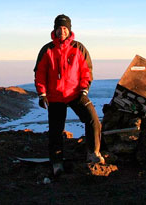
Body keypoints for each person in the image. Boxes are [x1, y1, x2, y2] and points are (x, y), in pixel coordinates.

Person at [34, 14, 105, 176]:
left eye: (65, 28)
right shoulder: (47, 50)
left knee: (92, 119)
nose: (62, 31)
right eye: (59, 28)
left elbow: (86, 71)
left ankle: (93, 153)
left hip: (75, 94)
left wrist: (83, 91)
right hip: (55, 97)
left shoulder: (78, 48)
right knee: (56, 131)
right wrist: (42, 94)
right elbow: (40, 73)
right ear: (54, 30)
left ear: (70, 30)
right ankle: (57, 162)